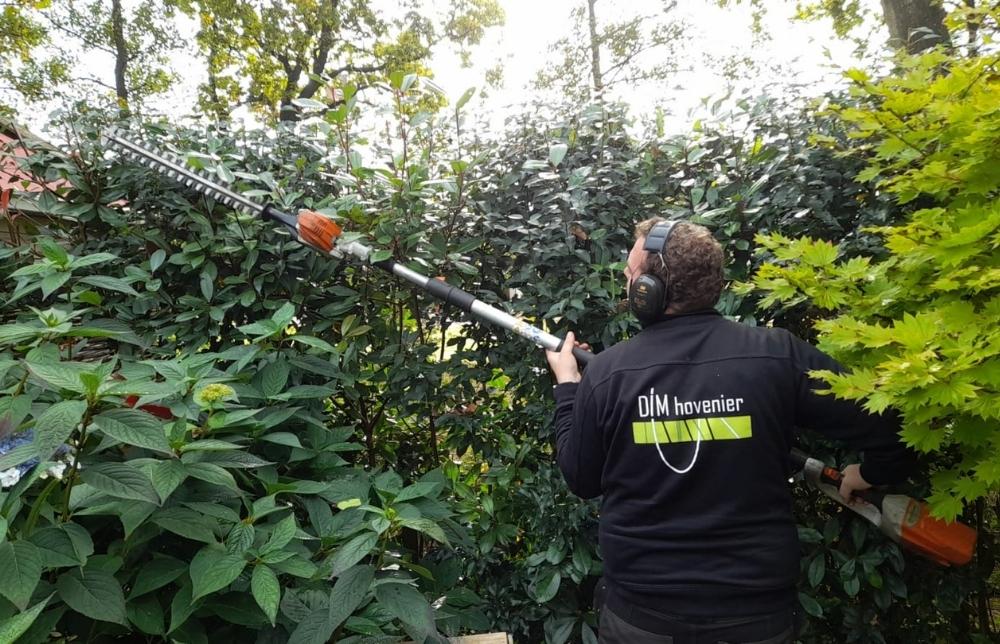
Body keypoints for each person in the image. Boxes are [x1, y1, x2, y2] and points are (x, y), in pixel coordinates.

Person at [545, 217, 915, 644]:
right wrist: (867, 474)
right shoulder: (776, 355)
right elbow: (891, 425)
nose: (627, 285)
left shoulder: (608, 374)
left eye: (631, 275)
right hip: (756, 616)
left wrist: (570, 389)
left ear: (650, 292)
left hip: (643, 618)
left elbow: (580, 477)